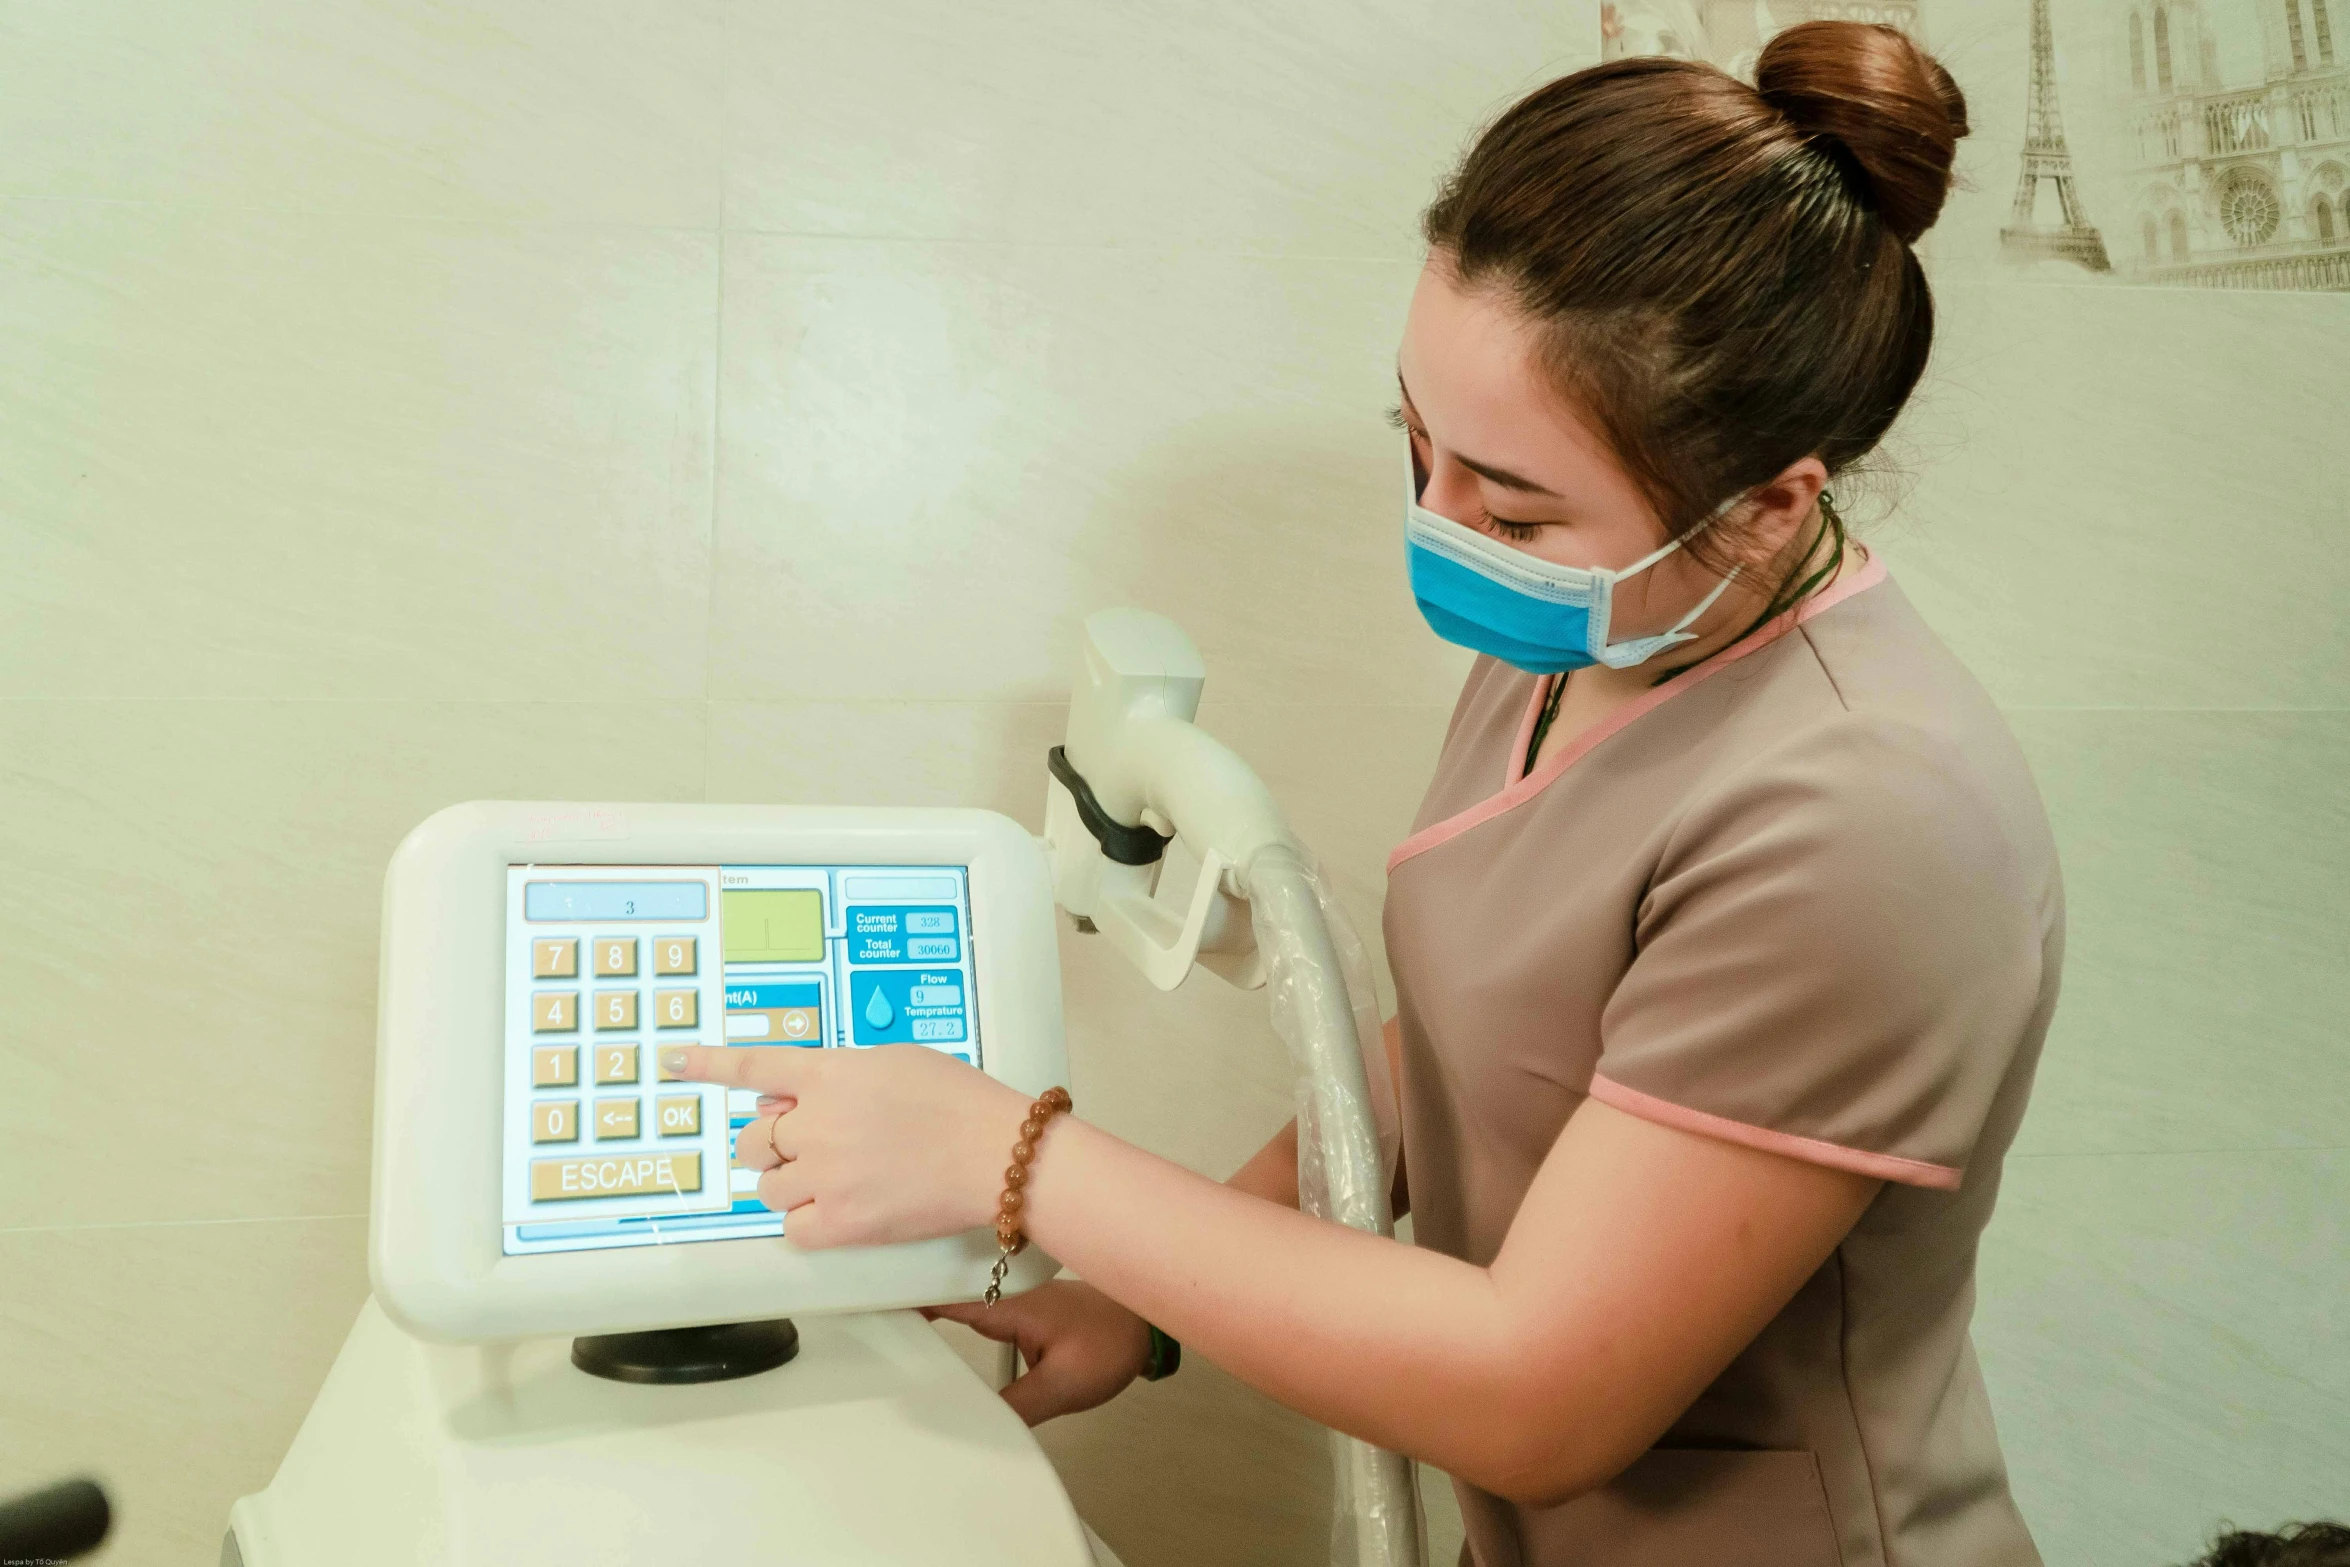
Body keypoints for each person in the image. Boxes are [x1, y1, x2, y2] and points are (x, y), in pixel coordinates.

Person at [669, 21, 2066, 1566]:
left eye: (1515, 504)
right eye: (1419, 440)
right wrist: (1132, 1297)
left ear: (1763, 507)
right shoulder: (1588, 627)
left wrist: (1015, 1160)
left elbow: (1544, 1392)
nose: (1439, 525)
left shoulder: (1864, 817)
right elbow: (1473, 1044)